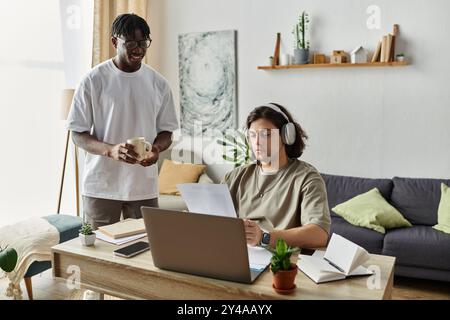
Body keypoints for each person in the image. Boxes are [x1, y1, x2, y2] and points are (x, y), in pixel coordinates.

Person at [67, 13, 178, 229]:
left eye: (143, 42)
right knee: (98, 255)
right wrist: (111, 150)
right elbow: (77, 134)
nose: (138, 49)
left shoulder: (159, 84)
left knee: (145, 253)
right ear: (114, 42)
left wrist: (156, 149)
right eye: (131, 43)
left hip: (143, 187)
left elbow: (167, 132)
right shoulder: (93, 80)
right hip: (101, 187)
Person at [222, 103, 330, 248]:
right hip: (237, 254)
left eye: (266, 134)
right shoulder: (235, 177)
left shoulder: (307, 178)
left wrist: (264, 237)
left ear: (286, 136)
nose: (257, 143)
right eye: (252, 135)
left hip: (281, 260)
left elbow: (319, 234)